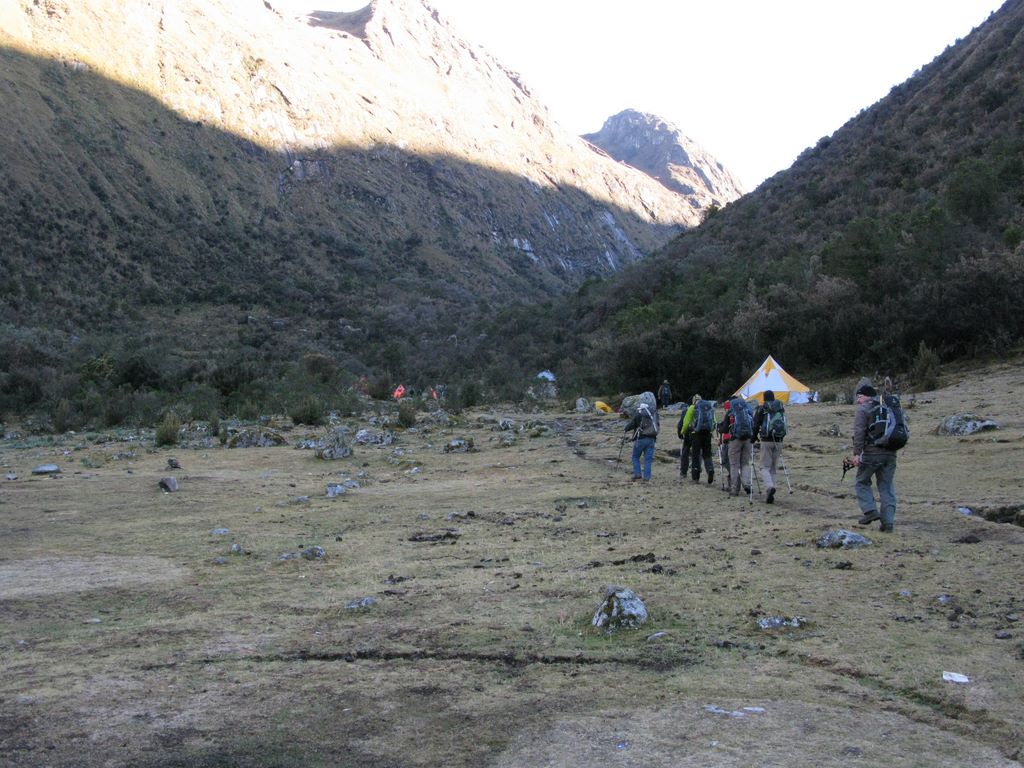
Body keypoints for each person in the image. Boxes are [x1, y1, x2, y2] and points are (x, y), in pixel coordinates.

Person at [852, 384, 897, 531]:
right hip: (891, 453)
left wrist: (857, 454)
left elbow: (859, 432)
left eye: (859, 397)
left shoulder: (864, 410)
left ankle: (870, 511)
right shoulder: (889, 408)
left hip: (872, 452)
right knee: (886, 487)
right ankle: (888, 523)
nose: (858, 401)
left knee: (861, 481)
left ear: (866, 396)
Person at [752, 390, 786, 504]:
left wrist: (753, 437)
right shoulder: (780, 407)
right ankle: (770, 491)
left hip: (766, 440)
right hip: (779, 439)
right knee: (773, 468)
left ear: (764, 398)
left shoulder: (762, 408)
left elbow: (756, 424)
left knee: (764, 467)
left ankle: (769, 487)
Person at [625, 401, 659, 482]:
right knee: (648, 460)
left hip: (640, 439)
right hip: (652, 439)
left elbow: (630, 426)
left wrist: (626, 428)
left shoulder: (639, 415)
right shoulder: (653, 415)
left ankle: (638, 474)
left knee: (635, 457)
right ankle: (647, 477)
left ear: (641, 409)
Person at [726, 396, 753, 497]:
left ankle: (734, 489)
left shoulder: (731, 411)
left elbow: (725, 428)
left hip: (735, 440)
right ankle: (747, 484)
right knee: (745, 463)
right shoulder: (747, 409)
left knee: (734, 465)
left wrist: (720, 429)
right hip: (748, 439)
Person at [687, 395, 715, 484]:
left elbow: (687, 421)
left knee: (695, 455)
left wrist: (684, 431)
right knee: (707, 454)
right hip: (707, 433)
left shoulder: (693, 408)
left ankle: (695, 477)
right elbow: (714, 421)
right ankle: (710, 469)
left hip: (696, 434)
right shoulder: (708, 407)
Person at [716, 399, 732, 490]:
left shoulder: (728, 416)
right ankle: (732, 478)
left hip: (728, 441)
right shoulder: (737, 414)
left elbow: (724, 431)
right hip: (739, 440)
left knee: (725, 460)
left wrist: (720, 440)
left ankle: (733, 476)